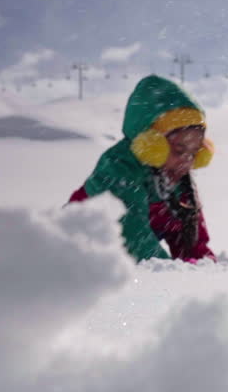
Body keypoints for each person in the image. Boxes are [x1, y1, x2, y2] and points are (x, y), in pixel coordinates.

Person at [65, 74, 216, 262]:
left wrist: (206, 274)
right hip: (69, 261)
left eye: (194, 153)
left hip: (112, 269)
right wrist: (172, 277)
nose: (187, 161)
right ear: (151, 143)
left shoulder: (179, 184)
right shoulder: (118, 168)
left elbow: (193, 246)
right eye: (179, 150)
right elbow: (133, 238)